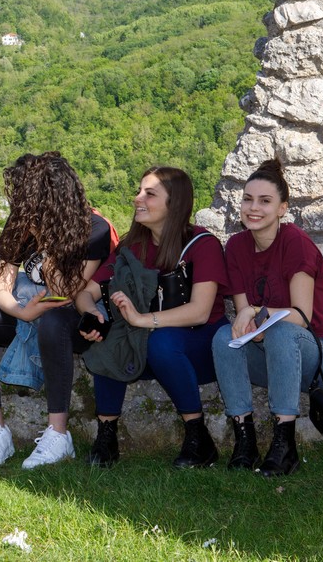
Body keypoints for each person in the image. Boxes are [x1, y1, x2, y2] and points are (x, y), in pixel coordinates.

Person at [0, 152, 113, 468]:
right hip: (27, 307)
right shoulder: (21, 223)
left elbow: (66, 291)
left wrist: (47, 240)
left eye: (27, 198)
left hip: (69, 316)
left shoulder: (94, 229)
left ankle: (58, 434)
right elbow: (1, 289)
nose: (21, 206)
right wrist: (22, 313)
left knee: (53, 321)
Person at [76, 167, 228, 469]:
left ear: (175, 202)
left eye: (150, 194)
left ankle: (198, 437)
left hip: (200, 345)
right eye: (139, 191)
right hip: (148, 345)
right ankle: (107, 436)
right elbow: (86, 292)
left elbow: (200, 310)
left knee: (162, 342)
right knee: (110, 339)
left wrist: (141, 320)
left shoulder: (202, 244)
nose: (138, 198)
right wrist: (91, 312)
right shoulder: (132, 247)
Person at [211, 158, 323, 476]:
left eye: (265, 201)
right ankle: (245, 440)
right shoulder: (237, 246)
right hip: (269, 357)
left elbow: (302, 316)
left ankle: (285, 445)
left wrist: (257, 313)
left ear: (282, 208)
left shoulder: (295, 243)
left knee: (282, 331)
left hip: (316, 357)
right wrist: (251, 323)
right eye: (248, 199)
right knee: (223, 337)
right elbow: (243, 319)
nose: (253, 208)